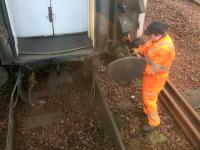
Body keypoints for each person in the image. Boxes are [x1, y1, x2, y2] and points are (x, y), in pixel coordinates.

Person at [133, 21, 176, 132]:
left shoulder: (165, 49)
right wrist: (138, 50)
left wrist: (138, 69)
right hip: (150, 76)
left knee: (150, 99)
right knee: (147, 97)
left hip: (155, 78)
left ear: (158, 34)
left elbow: (154, 69)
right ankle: (146, 111)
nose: (149, 37)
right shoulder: (157, 39)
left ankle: (154, 122)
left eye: (151, 35)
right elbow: (148, 47)